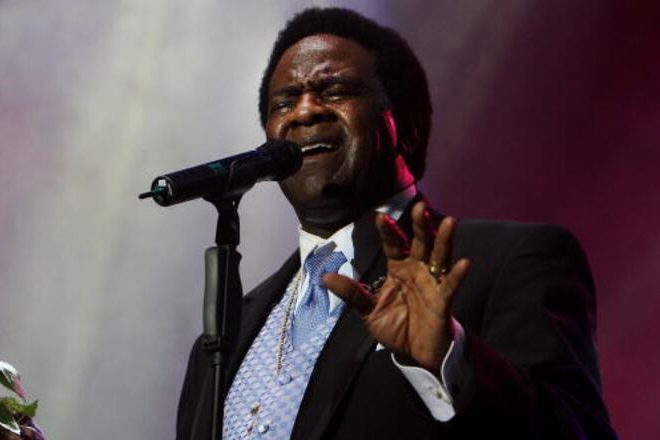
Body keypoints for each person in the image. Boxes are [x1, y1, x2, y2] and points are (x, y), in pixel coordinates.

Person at [177, 7, 616, 439]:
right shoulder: (224, 338)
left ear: (405, 126)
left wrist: (447, 362)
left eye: (334, 91)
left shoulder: (507, 263)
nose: (304, 112)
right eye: (284, 102)